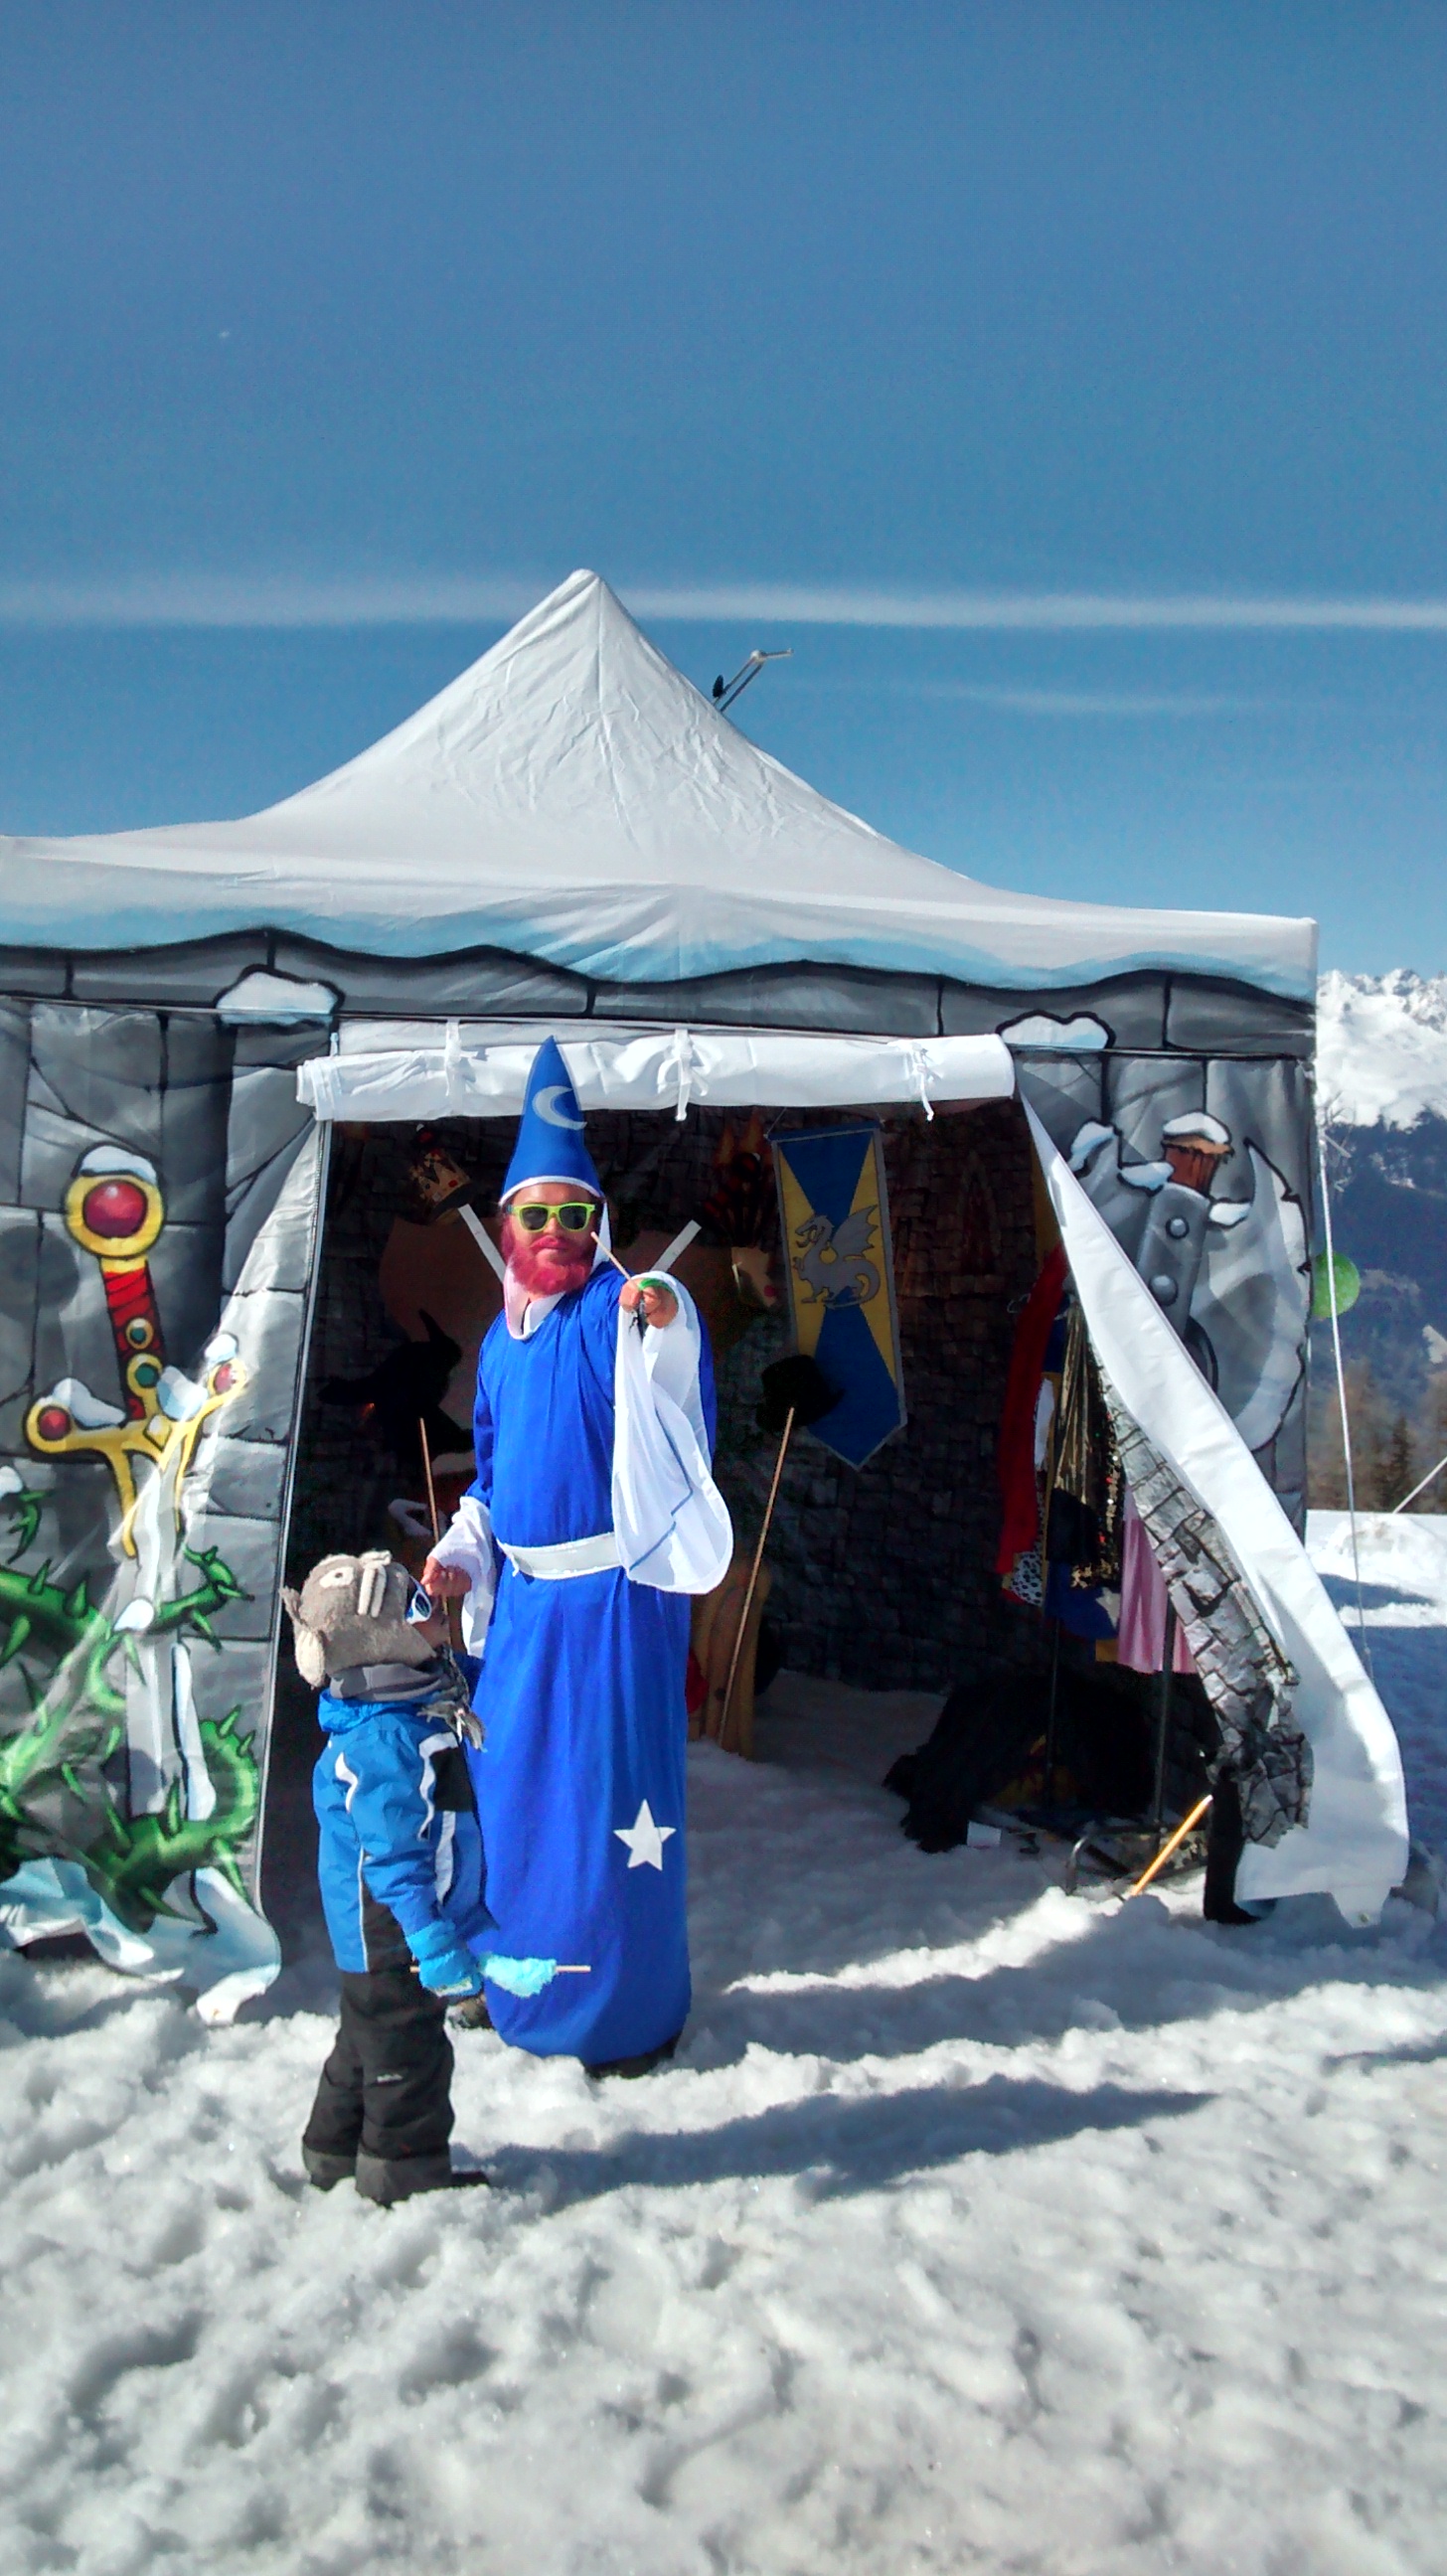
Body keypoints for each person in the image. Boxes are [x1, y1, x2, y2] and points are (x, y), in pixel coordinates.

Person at [421, 1036, 733, 2075]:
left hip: (611, 1607)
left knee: (605, 1807)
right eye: (537, 1216)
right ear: (507, 1225)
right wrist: (461, 1553)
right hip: (522, 1617)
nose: (557, 1232)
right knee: (514, 1799)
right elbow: (492, 1480)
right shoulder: (499, 1347)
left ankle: (618, 2016)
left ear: (598, 1226)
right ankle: (521, 1983)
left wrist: (664, 1308)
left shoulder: (614, 1307)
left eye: (576, 1215)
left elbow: (668, 1339)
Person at [283, 1549, 498, 2204]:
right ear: (380, 1641)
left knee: (365, 2037)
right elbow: (395, 1859)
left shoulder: (407, 1701)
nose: (438, 1614)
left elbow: (478, 1678)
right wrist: (430, 1939)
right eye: (420, 1607)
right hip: (390, 1925)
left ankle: (331, 2150)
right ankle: (404, 2173)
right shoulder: (384, 1741)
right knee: (409, 2052)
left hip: (376, 1930)